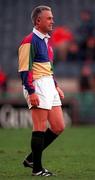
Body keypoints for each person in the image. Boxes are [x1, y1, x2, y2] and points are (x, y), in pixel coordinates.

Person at [18, 5, 65, 177]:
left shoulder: (46, 41)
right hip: (36, 85)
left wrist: (56, 85)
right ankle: (37, 169)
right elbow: (24, 69)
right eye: (49, 18)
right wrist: (31, 91)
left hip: (49, 85)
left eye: (52, 17)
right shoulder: (29, 41)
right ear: (38, 21)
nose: (53, 20)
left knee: (59, 126)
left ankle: (31, 159)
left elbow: (48, 68)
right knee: (39, 126)